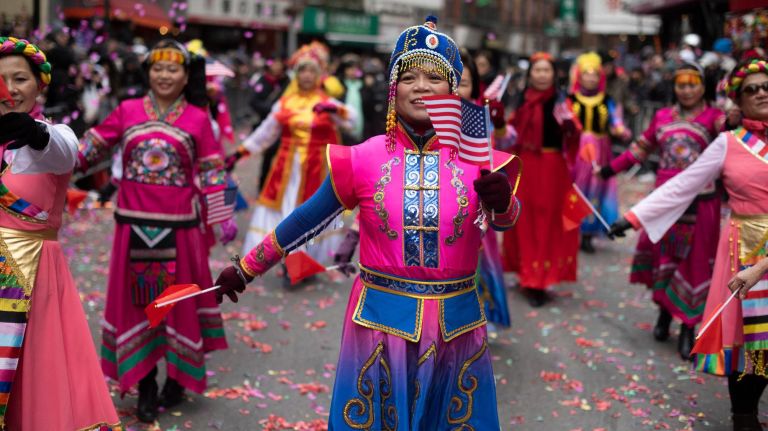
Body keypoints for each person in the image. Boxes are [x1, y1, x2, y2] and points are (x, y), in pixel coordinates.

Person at [215, 16, 520, 429]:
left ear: (453, 88)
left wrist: (504, 203)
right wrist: (246, 268)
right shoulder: (362, 158)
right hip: (379, 325)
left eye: (434, 77)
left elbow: (501, 222)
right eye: (409, 77)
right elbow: (307, 219)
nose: (421, 87)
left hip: (456, 326)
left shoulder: (481, 160)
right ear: (394, 90)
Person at [609, 58, 768, 431]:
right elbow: (681, 186)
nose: (761, 92)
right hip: (745, 249)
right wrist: (632, 218)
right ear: (737, 101)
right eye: (752, 88)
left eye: (767, 86)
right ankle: (744, 415)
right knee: (752, 339)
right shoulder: (727, 144)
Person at [77, 39, 229, 423]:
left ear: (185, 75)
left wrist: (222, 216)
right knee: (136, 310)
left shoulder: (198, 118)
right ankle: (144, 382)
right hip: (133, 230)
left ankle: (175, 381)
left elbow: (212, 173)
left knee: (176, 309)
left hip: (180, 232)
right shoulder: (126, 111)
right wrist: (48, 149)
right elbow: (89, 149)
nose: (164, 75)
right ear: (147, 73)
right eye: (158, 68)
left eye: (173, 69)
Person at [0, 36, 121, 430]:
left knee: (35, 379)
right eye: (1, 80)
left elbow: (62, 153)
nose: (10, 88)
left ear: (40, 85)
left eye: (20, 78)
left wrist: (33, 134)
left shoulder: (56, 135)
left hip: (31, 276)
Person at [599, 63, 725, 360]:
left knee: (694, 264)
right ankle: (665, 316)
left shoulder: (715, 120)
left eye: (693, 84)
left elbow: (733, 137)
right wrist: (608, 170)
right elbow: (638, 151)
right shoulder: (662, 117)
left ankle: (687, 327)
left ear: (703, 87)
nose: (687, 90)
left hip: (701, 203)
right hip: (665, 202)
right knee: (664, 258)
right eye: (681, 85)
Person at [229, 42, 356, 269]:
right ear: (296, 74)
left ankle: (304, 260)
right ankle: (283, 256)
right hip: (286, 168)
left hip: (316, 168)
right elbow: (265, 133)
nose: (306, 75)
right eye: (302, 70)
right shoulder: (284, 102)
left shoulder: (327, 102)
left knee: (312, 210)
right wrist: (239, 153)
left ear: (319, 75)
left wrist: (335, 110)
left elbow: (352, 122)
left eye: (311, 71)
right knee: (284, 210)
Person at [501, 52, 581, 307]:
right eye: (538, 70)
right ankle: (527, 274)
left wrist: (570, 128)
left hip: (552, 168)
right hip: (525, 166)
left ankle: (539, 279)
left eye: (547, 70)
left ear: (554, 74)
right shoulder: (520, 100)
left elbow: (573, 137)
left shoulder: (562, 102)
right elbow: (508, 134)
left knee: (547, 221)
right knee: (524, 219)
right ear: (530, 74)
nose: (542, 75)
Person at [568, 52, 629, 253]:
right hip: (575, 152)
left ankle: (587, 234)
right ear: (579, 76)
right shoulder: (569, 99)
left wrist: (620, 129)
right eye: (587, 74)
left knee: (594, 192)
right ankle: (569, 231)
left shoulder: (607, 100)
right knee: (574, 190)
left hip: (599, 154)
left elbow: (616, 120)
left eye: (595, 74)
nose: (591, 78)